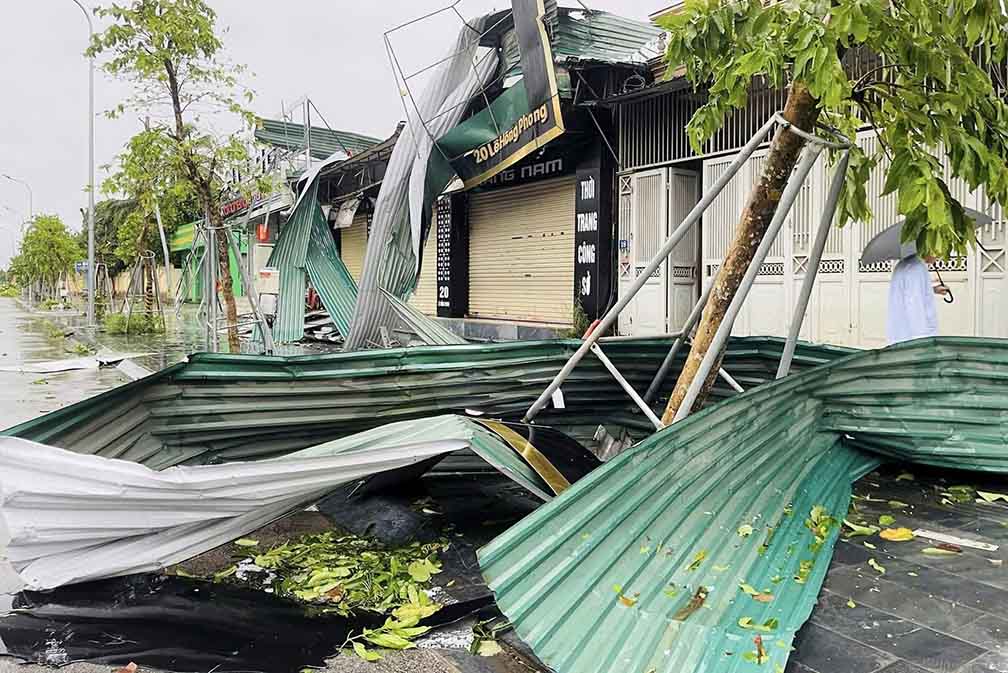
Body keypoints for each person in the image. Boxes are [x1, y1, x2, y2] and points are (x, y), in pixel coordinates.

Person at [886, 254, 948, 345]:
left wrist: (932, 290)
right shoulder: (917, 268)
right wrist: (922, 342)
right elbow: (915, 307)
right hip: (914, 340)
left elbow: (911, 293)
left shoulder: (904, 264)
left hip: (901, 336)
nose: (939, 257)